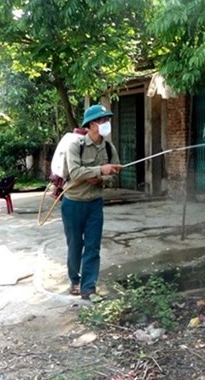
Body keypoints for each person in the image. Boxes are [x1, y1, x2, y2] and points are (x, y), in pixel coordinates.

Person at [61, 104, 122, 301]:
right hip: (73, 203)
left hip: (95, 203)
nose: (106, 123)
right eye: (102, 120)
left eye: (107, 119)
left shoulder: (108, 147)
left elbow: (113, 175)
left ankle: (88, 288)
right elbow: (75, 173)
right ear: (91, 124)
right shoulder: (75, 146)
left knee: (93, 246)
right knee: (75, 244)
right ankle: (75, 280)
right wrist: (99, 170)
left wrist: (103, 177)